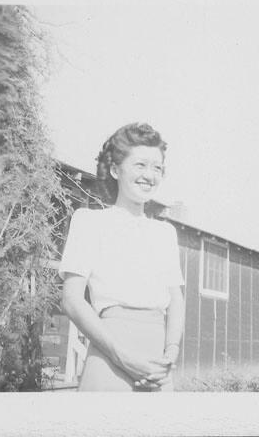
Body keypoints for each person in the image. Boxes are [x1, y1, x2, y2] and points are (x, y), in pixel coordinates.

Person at [59, 122, 185, 391]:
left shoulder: (165, 233)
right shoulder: (89, 222)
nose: (149, 175)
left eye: (157, 167)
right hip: (110, 358)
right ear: (116, 169)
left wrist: (171, 353)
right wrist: (121, 356)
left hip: (157, 366)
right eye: (140, 165)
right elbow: (71, 300)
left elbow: (176, 300)